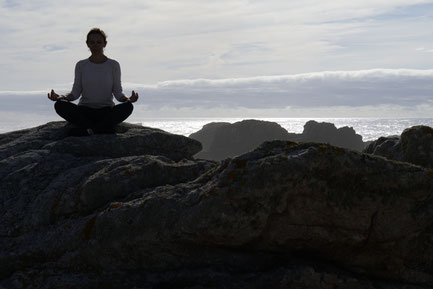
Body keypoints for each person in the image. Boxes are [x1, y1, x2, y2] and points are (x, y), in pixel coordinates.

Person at [48, 28, 138, 136]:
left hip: (106, 111)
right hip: (84, 111)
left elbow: (118, 92)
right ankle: (102, 129)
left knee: (128, 107)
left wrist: (128, 99)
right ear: (87, 44)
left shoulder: (113, 65)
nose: (95, 45)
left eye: (99, 42)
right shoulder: (81, 65)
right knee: (60, 105)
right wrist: (61, 97)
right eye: (92, 42)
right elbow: (75, 93)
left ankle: (88, 130)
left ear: (105, 44)